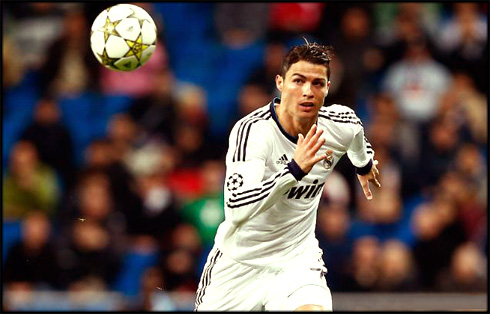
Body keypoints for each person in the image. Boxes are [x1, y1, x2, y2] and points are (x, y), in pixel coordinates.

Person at [194, 41, 381, 311]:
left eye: (317, 83)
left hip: (296, 262)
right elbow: (236, 208)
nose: (307, 91)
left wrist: (363, 165)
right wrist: (293, 170)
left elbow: (356, 136)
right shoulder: (253, 131)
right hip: (240, 264)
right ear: (280, 83)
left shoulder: (340, 124)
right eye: (298, 80)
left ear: (328, 88)